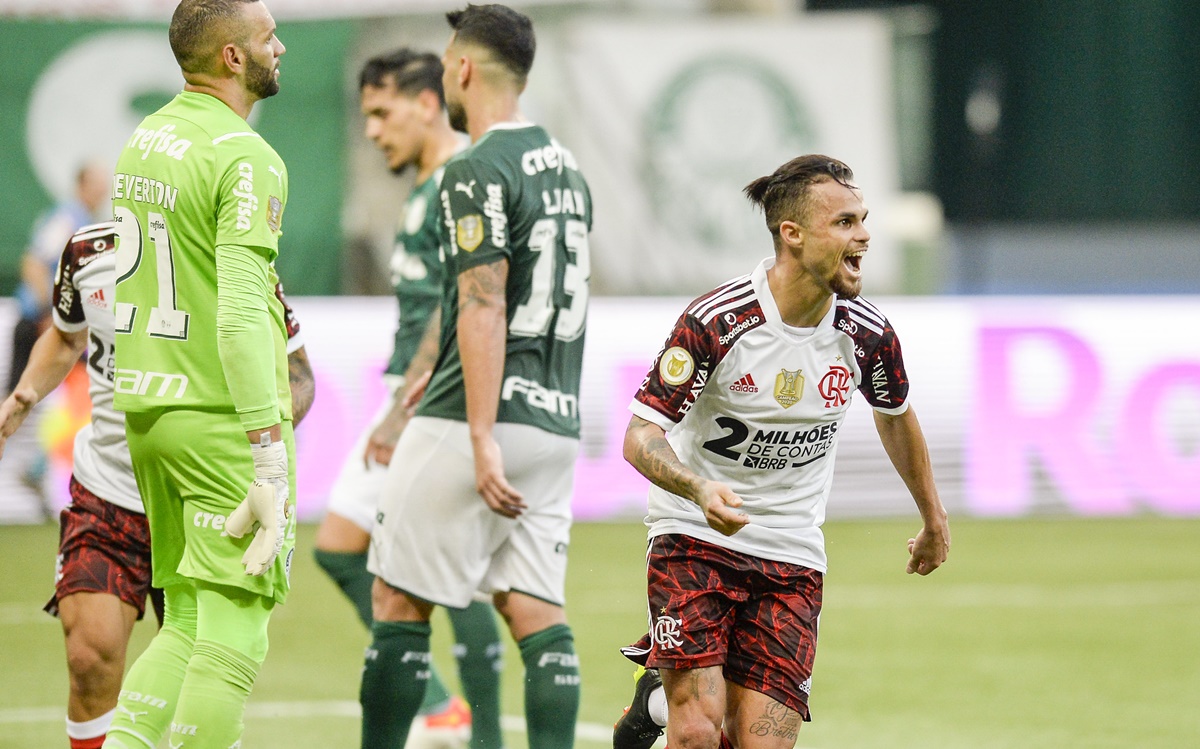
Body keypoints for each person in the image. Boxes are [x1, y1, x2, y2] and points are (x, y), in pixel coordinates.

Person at [611, 155, 951, 749]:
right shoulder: (717, 322)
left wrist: (933, 516)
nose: (864, 235)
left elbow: (894, 416)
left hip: (791, 550)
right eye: (845, 223)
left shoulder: (868, 334)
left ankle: (656, 701)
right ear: (791, 234)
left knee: (759, 742)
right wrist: (697, 488)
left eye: (863, 220)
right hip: (694, 535)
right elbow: (640, 437)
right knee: (698, 733)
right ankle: (673, 705)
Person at [360, 5, 593, 748]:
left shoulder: (473, 167)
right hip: (554, 418)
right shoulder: (568, 169)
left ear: (461, 68)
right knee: (535, 609)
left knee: (396, 599)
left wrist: (482, 434)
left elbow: (483, 300)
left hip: (471, 415)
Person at [0, 220, 314, 749]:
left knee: (201, 668)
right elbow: (66, 334)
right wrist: (24, 394)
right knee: (88, 655)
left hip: (202, 495)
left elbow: (297, 374)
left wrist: (252, 449)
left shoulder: (231, 261)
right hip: (109, 489)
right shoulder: (87, 252)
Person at [101, 1, 296, 747]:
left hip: (149, 410)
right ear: (233, 59)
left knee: (185, 617)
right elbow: (242, 310)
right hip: (219, 416)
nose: (281, 46)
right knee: (237, 633)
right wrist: (266, 453)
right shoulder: (247, 156)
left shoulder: (144, 139)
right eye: (267, 37)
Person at [313, 48, 503, 749]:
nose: (371, 129)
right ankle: (443, 705)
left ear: (427, 104)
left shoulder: (460, 180)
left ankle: (474, 728)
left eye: (381, 112)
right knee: (350, 549)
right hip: (413, 389)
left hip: (434, 395)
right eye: (365, 115)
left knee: (452, 572)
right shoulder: (427, 187)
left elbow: (464, 302)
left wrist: (405, 406)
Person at [6, 162, 109, 503]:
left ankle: (37, 470)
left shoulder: (83, 221)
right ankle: (36, 470)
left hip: (59, 326)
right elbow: (33, 263)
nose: (104, 189)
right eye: (98, 182)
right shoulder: (67, 219)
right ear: (82, 184)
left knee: (77, 393)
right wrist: (46, 312)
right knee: (18, 400)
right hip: (41, 325)